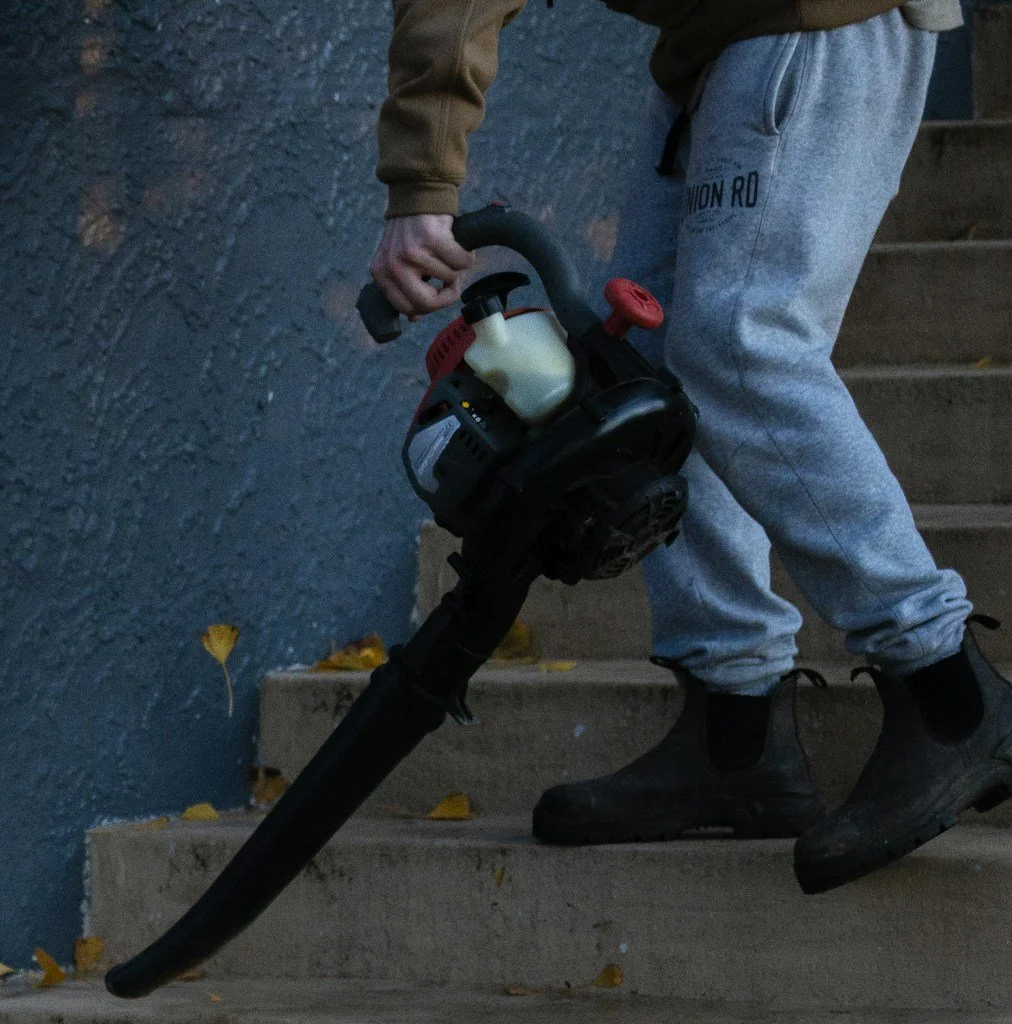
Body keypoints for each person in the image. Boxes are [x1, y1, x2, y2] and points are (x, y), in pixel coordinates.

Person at [365, 0, 1012, 893]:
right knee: (645, 371)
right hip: (720, 44)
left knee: (739, 343)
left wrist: (422, 182)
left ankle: (950, 696)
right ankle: (736, 732)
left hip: (808, 20)